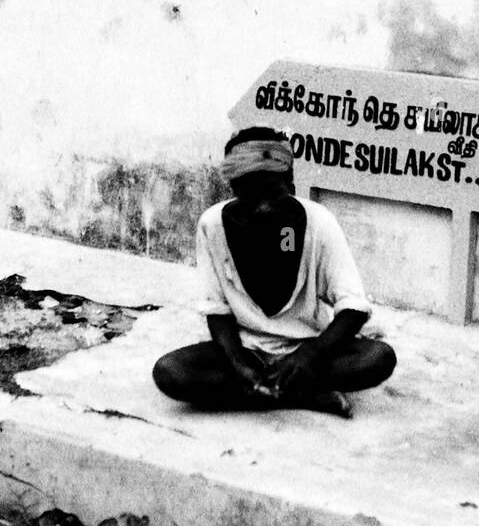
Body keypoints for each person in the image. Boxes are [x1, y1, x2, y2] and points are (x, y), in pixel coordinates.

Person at [153, 126, 396, 416]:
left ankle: (258, 393)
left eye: (271, 194)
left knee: (378, 358)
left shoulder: (318, 223)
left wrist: (310, 354)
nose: (263, 209)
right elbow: (217, 310)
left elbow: (353, 307)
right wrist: (238, 363)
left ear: (290, 183)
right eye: (250, 197)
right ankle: (302, 394)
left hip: (308, 348)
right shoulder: (212, 226)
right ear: (234, 190)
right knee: (171, 373)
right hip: (248, 348)